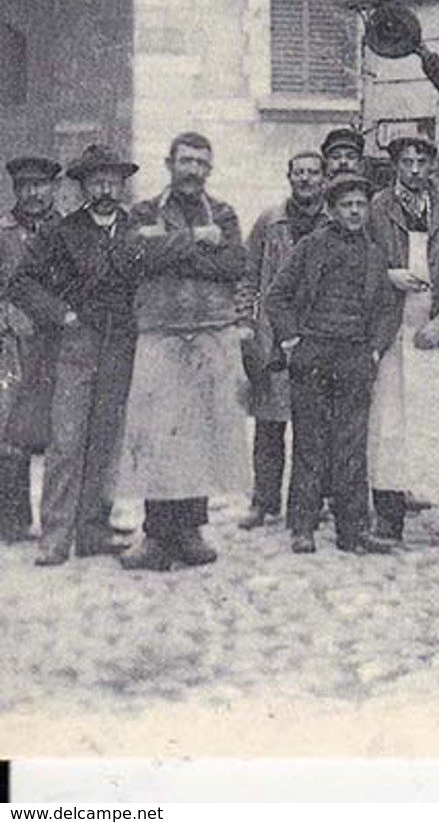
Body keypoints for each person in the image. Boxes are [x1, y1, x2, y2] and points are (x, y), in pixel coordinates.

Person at [116, 132, 250, 572]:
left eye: (201, 163)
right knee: (158, 436)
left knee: (200, 436)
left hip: (210, 332)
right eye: (186, 161)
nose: (193, 170)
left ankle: (190, 529)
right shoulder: (144, 211)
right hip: (161, 332)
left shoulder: (225, 214)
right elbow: (135, 258)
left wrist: (170, 249)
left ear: (209, 169)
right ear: (169, 163)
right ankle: (156, 535)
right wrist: (197, 240)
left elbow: (233, 266)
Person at [10, 145, 141, 566]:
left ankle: (93, 529)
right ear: (84, 185)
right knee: (66, 442)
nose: (105, 189)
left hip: (119, 347)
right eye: (97, 181)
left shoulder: (136, 230)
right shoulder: (61, 233)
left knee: (105, 441)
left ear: (122, 185)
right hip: (76, 347)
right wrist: (60, 313)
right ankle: (56, 534)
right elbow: (22, 282)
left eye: (112, 181)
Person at [265, 171, 398, 555]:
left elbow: (388, 308)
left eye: (360, 205)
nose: (355, 212)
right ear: (332, 209)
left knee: (351, 445)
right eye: (347, 205)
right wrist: (291, 340)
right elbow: (277, 297)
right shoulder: (311, 246)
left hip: (356, 356)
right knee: (310, 442)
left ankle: (352, 530)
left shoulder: (375, 254)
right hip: (314, 354)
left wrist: (375, 348)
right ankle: (302, 527)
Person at [365, 133, 439, 546]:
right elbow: (359, 261)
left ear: (433, 165)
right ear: (395, 165)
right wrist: (387, 275)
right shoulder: (378, 208)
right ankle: (389, 516)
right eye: (407, 162)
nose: (415, 170)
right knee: (389, 423)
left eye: (422, 162)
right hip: (392, 329)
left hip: (433, 332)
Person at [237, 150, 328, 531]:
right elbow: (247, 275)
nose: (305, 179)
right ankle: (263, 500)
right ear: (289, 177)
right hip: (274, 336)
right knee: (269, 423)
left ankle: (311, 500)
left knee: (315, 424)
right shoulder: (270, 222)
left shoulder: (332, 221)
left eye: (312, 173)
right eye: (299, 173)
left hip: (318, 335)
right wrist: (245, 321)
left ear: (323, 178)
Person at [0, 155, 61, 543]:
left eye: (40, 185)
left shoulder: (68, 230)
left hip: (59, 341)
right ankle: (12, 520)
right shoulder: (2, 233)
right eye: (25, 186)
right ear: (15, 191)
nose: (33, 193)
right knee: (10, 431)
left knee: (65, 430)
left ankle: (62, 518)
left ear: (53, 188)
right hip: (13, 345)